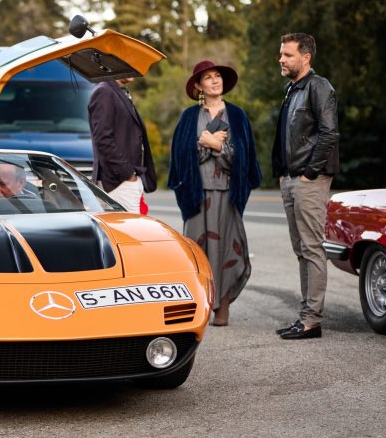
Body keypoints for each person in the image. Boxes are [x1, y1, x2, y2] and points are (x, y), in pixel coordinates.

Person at [168, 60, 262, 327]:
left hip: (227, 191)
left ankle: (223, 307)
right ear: (199, 85)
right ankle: (202, 304)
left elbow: (244, 157)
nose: (214, 81)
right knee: (197, 249)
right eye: (208, 78)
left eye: (217, 76)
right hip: (197, 193)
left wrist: (217, 148)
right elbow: (179, 157)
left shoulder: (237, 115)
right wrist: (207, 144)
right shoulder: (189, 117)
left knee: (226, 248)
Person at [272, 33, 339, 340]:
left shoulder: (318, 86)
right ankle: (305, 317)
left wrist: (309, 174)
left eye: (287, 55)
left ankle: (312, 320)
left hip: (309, 180)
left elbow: (329, 134)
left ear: (305, 57)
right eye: (281, 54)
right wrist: (282, 174)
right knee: (301, 249)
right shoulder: (291, 89)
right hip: (290, 178)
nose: (281, 59)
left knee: (312, 248)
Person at [88, 77, 157, 212]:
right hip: (118, 183)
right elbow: (103, 139)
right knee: (131, 232)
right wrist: (127, 174)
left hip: (125, 181)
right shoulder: (104, 91)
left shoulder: (117, 91)